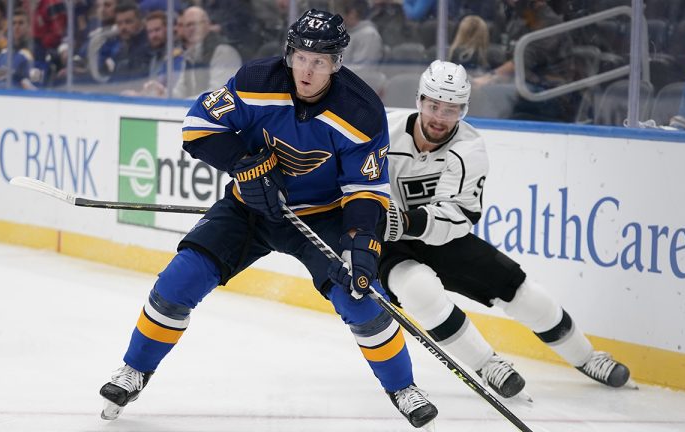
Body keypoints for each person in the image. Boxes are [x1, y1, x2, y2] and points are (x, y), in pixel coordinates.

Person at [98, 9, 438, 430]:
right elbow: (196, 127)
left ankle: (403, 388)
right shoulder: (256, 81)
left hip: (322, 216)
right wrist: (245, 164)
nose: (306, 70)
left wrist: (361, 241)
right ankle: (134, 371)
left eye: (319, 61)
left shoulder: (362, 112)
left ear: (337, 63)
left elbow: (365, 190)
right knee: (178, 281)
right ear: (288, 54)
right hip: (248, 209)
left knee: (360, 299)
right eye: (300, 57)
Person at [379, 60, 632, 400]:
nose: (439, 117)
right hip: (386, 241)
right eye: (434, 105)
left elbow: (458, 217)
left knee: (519, 288)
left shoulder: (469, 149)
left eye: (451, 109)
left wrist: (406, 221)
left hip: (438, 235)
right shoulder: (382, 132)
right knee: (420, 291)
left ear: (463, 111)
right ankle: (488, 365)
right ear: (419, 100)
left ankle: (587, 357)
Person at [170, 6, 241, 99]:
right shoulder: (190, 54)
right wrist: (164, 93)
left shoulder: (223, 51)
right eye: (187, 25)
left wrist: (186, 102)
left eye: (195, 24)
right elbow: (181, 90)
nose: (191, 29)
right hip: (196, 110)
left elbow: (219, 94)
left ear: (207, 24)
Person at [339, 0, 384, 71]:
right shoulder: (347, 32)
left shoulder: (369, 35)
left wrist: (334, 71)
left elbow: (363, 68)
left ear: (352, 14)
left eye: (344, 13)